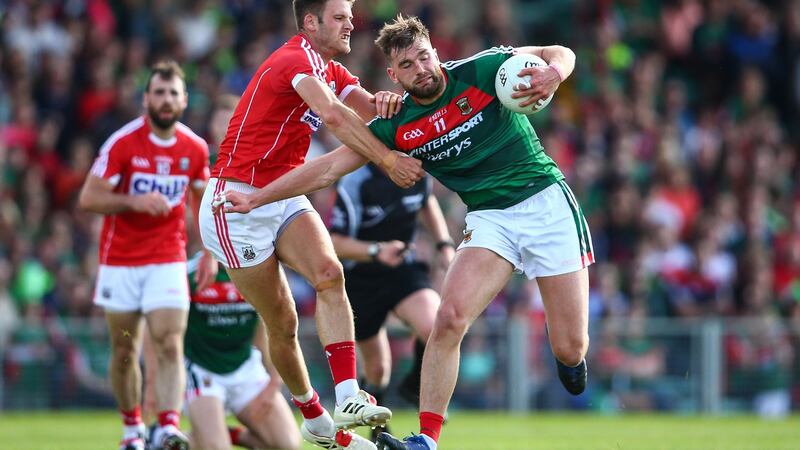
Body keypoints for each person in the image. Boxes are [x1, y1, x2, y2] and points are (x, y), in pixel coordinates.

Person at [213, 15, 594, 450]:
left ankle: (572, 357)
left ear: (436, 53)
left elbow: (558, 53)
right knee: (447, 319)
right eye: (408, 65)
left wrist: (553, 73)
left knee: (569, 347)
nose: (421, 69)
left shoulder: (482, 69)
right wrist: (258, 198)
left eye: (424, 57)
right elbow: (328, 168)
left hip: (544, 203)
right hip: (489, 217)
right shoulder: (397, 125)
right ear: (393, 76)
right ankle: (426, 440)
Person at [197, 1, 424, 449]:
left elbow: (371, 111)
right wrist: (386, 159)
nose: (350, 23)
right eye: (339, 17)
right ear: (310, 22)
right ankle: (313, 415)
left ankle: (348, 397)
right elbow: (336, 117)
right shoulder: (294, 60)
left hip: (281, 192)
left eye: (350, 16)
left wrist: (393, 103)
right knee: (281, 322)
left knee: (329, 273)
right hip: (235, 203)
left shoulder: (331, 69)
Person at [78, 60, 217, 450]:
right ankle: (132, 429)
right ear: (146, 99)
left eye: (173, 93)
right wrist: (133, 201)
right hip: (121, 262)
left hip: (167, 259)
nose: (166, 100)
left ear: (185, 100)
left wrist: (209, 251)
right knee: (125, 350)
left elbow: (201, 200)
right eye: (159, 92)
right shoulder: (123, 143)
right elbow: (89, 197)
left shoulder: (194, 148)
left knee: (170, 342)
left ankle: (167, 426)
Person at [328, 167, 455, 440]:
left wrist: (444, 244)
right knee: (377, 370)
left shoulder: (417, 169)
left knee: (436, 325)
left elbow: (426, 201)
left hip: (402, 268)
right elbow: (333, 243)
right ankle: (378, 432)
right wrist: (376, 250)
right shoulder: (355, 181)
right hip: (360, 278)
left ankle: (416, 385)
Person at [145, 253, 303, 450]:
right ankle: (164, 439)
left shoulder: (259, 270)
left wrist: (273, 381)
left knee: (287, 444)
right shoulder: (188, 275)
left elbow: (275, 329)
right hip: (202, 371)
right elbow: (156, 330)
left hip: (245, 368)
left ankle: (219, 434)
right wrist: (152, 383)